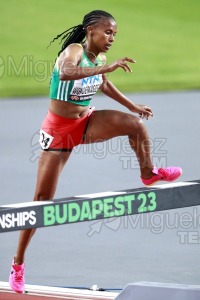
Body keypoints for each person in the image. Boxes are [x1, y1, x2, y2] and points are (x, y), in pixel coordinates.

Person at [9, 10, 182, 293]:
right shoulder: (74, 50)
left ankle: (149, 173)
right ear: (90, 30)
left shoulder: (99, 59)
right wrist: (105, 67)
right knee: (41, 201)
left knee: (135, 125)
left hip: (86, 122)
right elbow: (66, 73)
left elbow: (103, 84)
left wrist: (131, 106)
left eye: (115, 34)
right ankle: (18, 263)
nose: (112, 38)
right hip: (59, 132)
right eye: (107, 32)